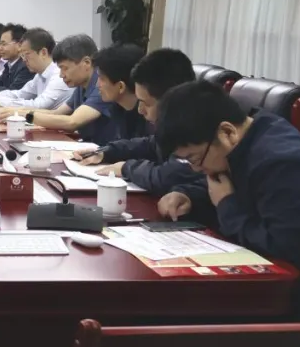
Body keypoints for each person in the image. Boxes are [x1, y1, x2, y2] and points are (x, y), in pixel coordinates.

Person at [155, 80, 300, 320]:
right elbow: (228, 186)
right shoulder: (246, 141)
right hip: (274, 298)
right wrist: (188, 196)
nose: (197, 169)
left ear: (227, 132)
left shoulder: (283, 164)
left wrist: (227, 207)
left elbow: (283, 248)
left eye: (195, 159)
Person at [71, 48, 209, 223]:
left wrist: (126, 167)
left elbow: (167, 176)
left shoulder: (198, 128)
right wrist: (106, 152)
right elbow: (152, 144)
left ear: (172, 100)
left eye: (146, 104)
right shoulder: (168, 123)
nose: (140, 110)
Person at [21, 34, 120, 145]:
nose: (61, 75)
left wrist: (27, 116)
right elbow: (56, 113)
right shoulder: (81, 85)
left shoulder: (101, 85)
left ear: (86, 63)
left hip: (105, 151)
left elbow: (72, 122)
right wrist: (18, 112)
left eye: (65, 68)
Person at [0, 28, 72, 115]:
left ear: (43, 52)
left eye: (26, 54)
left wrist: (0, 102)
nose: (23, 60)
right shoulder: (40, 75)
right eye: (22, 55)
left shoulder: (58, 75)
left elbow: (39, 105)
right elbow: (20, 94)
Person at [92, 44, 150, 140]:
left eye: (102, 79)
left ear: (121, 86)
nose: (97, 85)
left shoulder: (149, 120)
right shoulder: (117, 109)